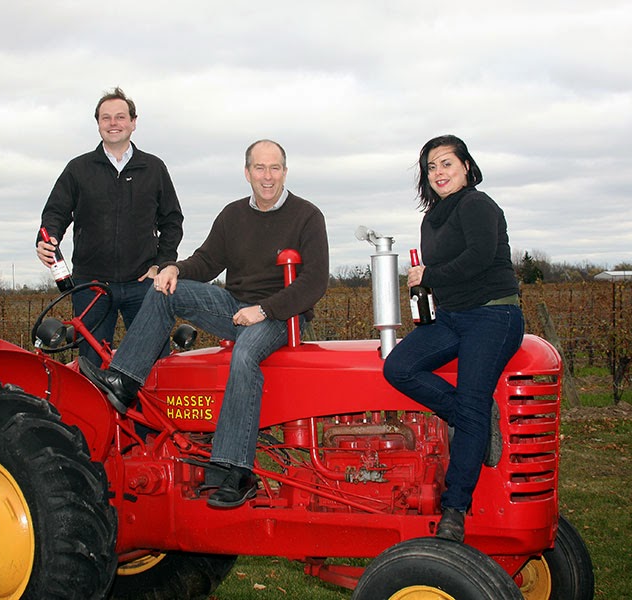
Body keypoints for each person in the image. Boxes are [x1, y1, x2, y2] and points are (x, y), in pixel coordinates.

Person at [80, 139, 329, 509]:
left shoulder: (307, 216)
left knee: (244, 355)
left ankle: (236, 471)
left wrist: (265, 309)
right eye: (259, 168)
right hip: (235, 307)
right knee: (166, 290)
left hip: (281, 316)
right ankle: (124, 380)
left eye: (274, 168)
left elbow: (314, 282)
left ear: (285, 172)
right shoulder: (232, 215)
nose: (267, 176)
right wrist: (174, 269)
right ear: (247, 173)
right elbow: (208, 261)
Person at [383, 134, 524, 543]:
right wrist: (424, 284)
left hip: (493, 314)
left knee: (472, 398)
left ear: (465, 166)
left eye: (446, 163)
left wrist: (429, 275)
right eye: (431, 167)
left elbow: (478, 259)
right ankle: (471, 419)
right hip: (451, 315)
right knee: (399, 366)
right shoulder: (432, 219)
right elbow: (443, 272)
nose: (439, 172)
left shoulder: (479, 205)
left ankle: (455, 509)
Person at [37, 87, 184, 366]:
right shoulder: (78, 169)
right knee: (92, 365)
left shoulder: (153, 168)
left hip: (143, 285)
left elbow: (172, 221)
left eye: (120, 117)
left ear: (133, 122)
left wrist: (162, 264)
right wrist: (47, 239)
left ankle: (145, 411)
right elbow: (55, 213)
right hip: (91, 285)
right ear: (98, 123)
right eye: (106, 118)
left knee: (154, 364)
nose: (113, 123)